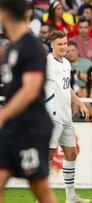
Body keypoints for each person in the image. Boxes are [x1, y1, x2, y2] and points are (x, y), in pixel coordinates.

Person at [0, 0, 56, 202]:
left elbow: (31, 90)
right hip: (10, 129)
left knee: (39, 188)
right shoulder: (11, 48)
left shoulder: (30, 46)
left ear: (5, 14)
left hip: (30, 127)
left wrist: (3, 114)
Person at [45, 31, 90, 203]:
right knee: (48, 155)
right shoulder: (46, 63)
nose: (64, 47)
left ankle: (71, 196)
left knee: (71, 153)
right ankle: (41, 197)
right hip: (52, 115)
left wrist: (79, 101)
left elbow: (66, 86)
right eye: (60, 44)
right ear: (52, 45)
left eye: (65, 43)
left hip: (66, 116)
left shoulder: (65, 63)